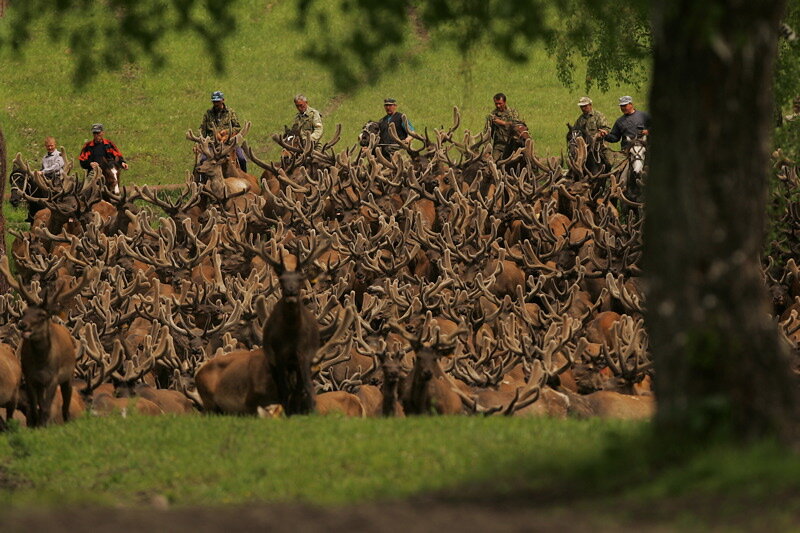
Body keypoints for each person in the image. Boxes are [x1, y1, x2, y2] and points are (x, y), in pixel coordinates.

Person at [200, 90, 247, 172]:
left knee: (241, 159)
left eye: (218, 101)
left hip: (229, 143)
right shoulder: (208, 114)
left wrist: (227, 132)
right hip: (212, 144)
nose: (216, 104)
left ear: (223, 100)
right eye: (214, 102)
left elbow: (237, 128)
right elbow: (202, 130)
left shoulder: (230, 112)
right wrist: (200, 143)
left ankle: (244, 176)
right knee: (203, 160)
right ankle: (200, 179)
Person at [573, 96, 611, 169]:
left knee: (608, 161)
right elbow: (575, 131)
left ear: (590, 105)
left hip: (599, 145)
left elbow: (607, 128)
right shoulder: (580, 120)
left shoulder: (598, 116)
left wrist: (600, 134)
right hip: (584, 147)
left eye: (585, 106)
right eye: (581, 106)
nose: (583, 108)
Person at [489, 93, 522, 161]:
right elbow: (487, 133)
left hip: (513, 145)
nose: (498, 106)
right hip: (499, 145)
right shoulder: (492, 115)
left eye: (500, 103)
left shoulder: (513, 113)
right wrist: (488, 151)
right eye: (496, 104)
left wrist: (502, 123)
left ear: (505, 102)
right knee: (493, 162)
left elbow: (517, 125)